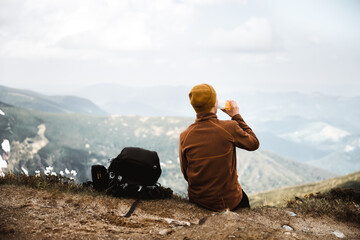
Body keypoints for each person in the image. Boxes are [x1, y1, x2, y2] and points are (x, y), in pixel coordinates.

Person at [179, 83, 259, 211]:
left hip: (198, 201)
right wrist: (236, 116)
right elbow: (254, 143)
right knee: (243, 200)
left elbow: (186, 172)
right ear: (215, 104)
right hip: (229, 201)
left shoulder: (185, 135)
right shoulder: (229, 127)